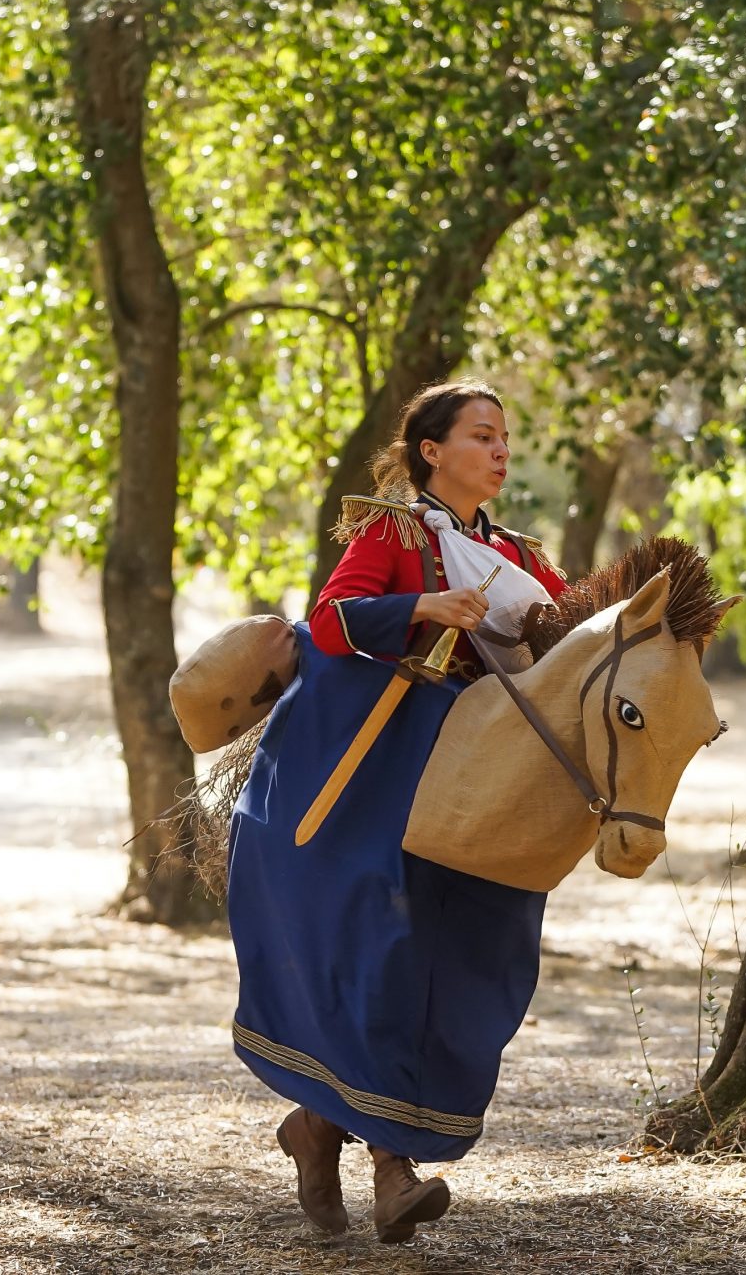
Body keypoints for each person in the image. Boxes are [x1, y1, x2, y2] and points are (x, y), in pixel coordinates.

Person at [227, 378, 566, 1243]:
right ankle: (390, 1171)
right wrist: (420, 605)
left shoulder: (521, 557)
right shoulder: (392, 528)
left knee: (453, 958)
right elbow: (331, 619)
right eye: (480, 435)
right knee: (387, 953)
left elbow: (575, 641)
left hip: (473, 787)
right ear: (431, 451)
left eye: (503, 438)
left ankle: (317, 1130)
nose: (498, 451)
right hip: (372, 785)